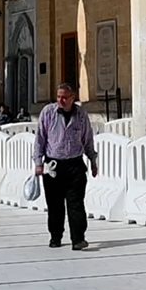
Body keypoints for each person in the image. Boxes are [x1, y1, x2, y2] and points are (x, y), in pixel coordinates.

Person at [31, 84, 98, 250]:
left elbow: (87, 139)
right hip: (53, 165)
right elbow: (40, 139)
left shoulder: (81, 115)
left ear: (72, 98)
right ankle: (55, 237)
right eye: (59, 97)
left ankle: (78, 239)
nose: (61, 100)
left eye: (65, 97)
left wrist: (92, 160)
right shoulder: (48, 113)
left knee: (76, 204)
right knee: (55, 205)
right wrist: (38, 163)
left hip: (75, 164)